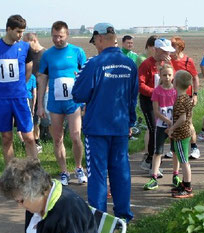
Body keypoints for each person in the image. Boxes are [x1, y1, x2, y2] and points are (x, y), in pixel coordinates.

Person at [72, 22, 137, 220]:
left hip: (97, 129)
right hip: (120, 126)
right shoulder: (130, 64)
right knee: (121, 172)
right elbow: (132, 98)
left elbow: (78, 94)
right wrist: (130, 123)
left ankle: (99, 218)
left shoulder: (94, 63)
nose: (95, 46)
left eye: (95, 42)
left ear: (99, 38)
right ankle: (123, 216)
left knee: (98, 174)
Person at [0, 158, 98, 233]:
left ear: (38, 191)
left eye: (21, 201)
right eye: (17, 201)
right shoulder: (35, 206)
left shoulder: (67, 213)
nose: (20, 206)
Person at [36, 21, 87, 185]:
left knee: (75, 136)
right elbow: (42, 79)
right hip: (55, 103)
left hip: (73, 102)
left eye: (60, 36)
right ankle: (64, 172)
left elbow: (85, 77)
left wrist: (85, 100)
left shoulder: (77, 52)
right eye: (54, 36)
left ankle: (79, 168)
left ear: (67, 35)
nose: (57, 39)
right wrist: (40, 105)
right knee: (57, 139)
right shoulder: (47, 55)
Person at [0, 15, 37, 163]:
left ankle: (35, 171)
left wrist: (18, 87)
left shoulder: (26, 48)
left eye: (22, 31)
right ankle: (11, 174)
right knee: (7, 138)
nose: (21, 35)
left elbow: (28, 72)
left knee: (29, 137)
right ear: (9, 29)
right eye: (18, 31)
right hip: (1, 100)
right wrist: (1, 88)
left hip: (20, 98)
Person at [138, 38, 175, 171]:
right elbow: (140, 84)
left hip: (163, 102)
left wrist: (171, 67)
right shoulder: (147, 64)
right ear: (157, 50)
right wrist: (155, 92)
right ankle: (149, 161)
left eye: (169, 52)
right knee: (154, 129)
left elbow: (172, 79)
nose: (168, 54)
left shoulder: (167, 63)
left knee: (161, 130)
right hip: (148, 101)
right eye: (165, 51)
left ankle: (155, 159)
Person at [143, 64, 181, 190]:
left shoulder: (176, 91)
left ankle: (175, 175)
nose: (167, 77)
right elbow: (156, 111)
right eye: (164, 75)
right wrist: (167, 121)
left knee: (175, 150)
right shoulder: (157, 91)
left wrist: (173, 123)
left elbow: (178, 108)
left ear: (173, 76)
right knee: (158, 151)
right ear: (160, 76)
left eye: (169, 75)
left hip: (174, 126)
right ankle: (154, 177)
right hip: (161, 126)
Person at [170, 36, 201, 159]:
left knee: (188, 122)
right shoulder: (168, 60)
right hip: (171, 95)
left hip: (185, 95)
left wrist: (195, 94)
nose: (171, 49)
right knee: (173, 121)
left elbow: (195, 77)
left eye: (174, 46)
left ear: (180, 47)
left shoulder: (188, 60)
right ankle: (174, 148)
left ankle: (194, 147)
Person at [167, 70, 195, 198]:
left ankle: (187, 187)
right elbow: (189, 116)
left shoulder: (179, 100)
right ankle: (184, 183)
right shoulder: (187, 98)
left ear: (176, 83)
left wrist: (172, 128)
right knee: (184, 159)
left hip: (180, 135)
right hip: (186, 132)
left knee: (184, 161)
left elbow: (182, 118)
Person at [23, 33, 48, 150]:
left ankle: (42, 139)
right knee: (32, 117)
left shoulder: (45, 54)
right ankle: (33, 142)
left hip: (43, 89)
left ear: (34, 40)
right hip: (31, 89)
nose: (24, 45)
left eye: (26, 42)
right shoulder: (28, 54)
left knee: (45, 117)